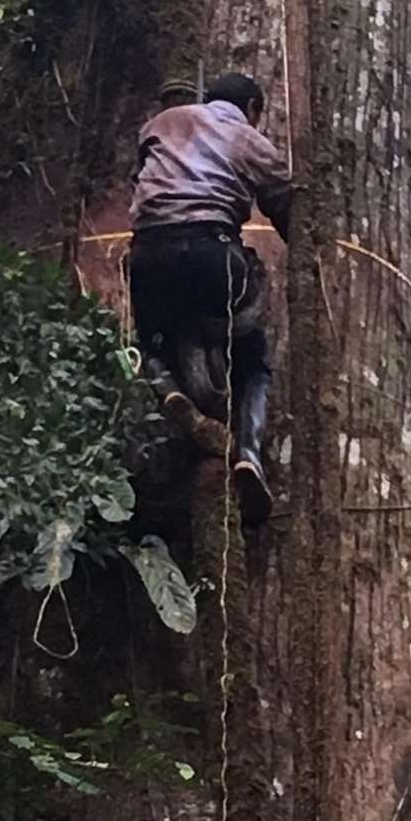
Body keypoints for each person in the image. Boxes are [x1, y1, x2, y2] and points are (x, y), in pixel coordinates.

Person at [127, 71, 293, 526]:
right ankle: (249, 453)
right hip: (210, 253)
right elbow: (283, 200)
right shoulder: (247, 136)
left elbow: (138, 179)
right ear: (254, 108)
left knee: (145, 341)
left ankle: (172, 391)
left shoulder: (162, 123)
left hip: (147, 255)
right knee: (253, 356)